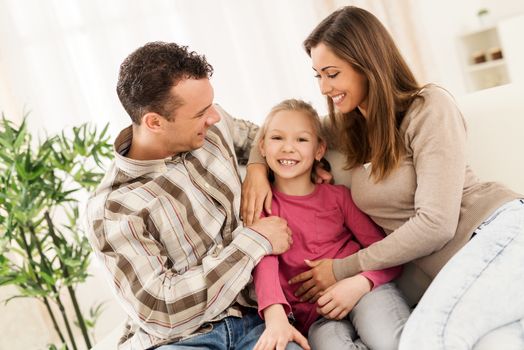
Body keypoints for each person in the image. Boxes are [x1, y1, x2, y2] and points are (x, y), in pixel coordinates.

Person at [241, 6, 524, 350]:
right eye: (318, 75)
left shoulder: (428, 108)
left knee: (425, 340)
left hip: (496, 235)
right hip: (459, 270)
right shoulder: (351, 127)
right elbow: (287, 131)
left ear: (366, 64)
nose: (325, 88)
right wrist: (257, 167)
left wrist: (344, 269)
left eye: (332, 74)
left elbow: (436, 224)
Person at [85, 41, 304, 350]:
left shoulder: (211, 129)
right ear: (154, 122)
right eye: (201, 112)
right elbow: (162, 310)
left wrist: (256, 166)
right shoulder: (114, 207)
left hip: (258, 321)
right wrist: (255, 241)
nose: (214, 116)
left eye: (212, 104)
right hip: (182, 340)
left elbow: (263, 138)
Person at [251, 99, 410, 350]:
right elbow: (265, 269)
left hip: (363, 290)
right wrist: (276, 319)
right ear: (262, 146)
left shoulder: (340, 197)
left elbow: (386, 253)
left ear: (319, 150)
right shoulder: (263, 209)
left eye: (301, 140)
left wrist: (364, 281)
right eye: (277, 138)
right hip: (319, 320)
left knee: (390, 341)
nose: (288, 148)